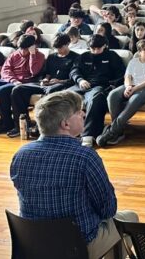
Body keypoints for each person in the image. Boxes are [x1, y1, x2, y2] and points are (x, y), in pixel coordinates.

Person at [10, 91, 138, 258]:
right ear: (65, 124)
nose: (83, 113)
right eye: (78, 112)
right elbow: (108, 209)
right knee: (130, 218)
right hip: (75, 247)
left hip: (33, 242)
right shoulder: (85, 157)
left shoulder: (20, 154)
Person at [0, 34, 45, 135]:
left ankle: (6, 122)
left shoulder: (39, 56)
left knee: (1, 91)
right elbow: (5, 70)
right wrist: (13, 80)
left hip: (24, 82)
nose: (23, 52)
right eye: (21, 49)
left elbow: (34, 72)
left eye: (26, 49)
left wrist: (32, 55)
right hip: (8, 80)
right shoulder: (14, 54)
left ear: (32, 47)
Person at [8, 33, 78, 138]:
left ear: (68, 44)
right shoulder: (52, 57)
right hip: (48, 83)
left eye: (60, 48)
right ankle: (21, 124)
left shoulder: (76, 57)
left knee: (50, 92)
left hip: (63, 84)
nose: (58, 50)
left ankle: (40, 126)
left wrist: (59, 81)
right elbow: (47, 73)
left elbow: (74, 78)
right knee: (18, 89)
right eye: (56, 48)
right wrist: (46, 79)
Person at [98, 39, 145, 147]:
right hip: (131, 85)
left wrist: (134, 89)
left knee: (133, 100)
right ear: (139, 51)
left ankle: (112, 132)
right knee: (112, 96)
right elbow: (127, 76)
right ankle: (119, 130)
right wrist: (128, 86)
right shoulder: (133, 61)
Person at [69, 34, 127, 147]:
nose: (95, 51)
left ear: (104, 45)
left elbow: (122, 74)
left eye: (98, 48)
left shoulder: (112, 56)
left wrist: (111, 85)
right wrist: (80, 80)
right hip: (81, 85)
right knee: (62, 97)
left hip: (100, 86)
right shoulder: (83, 56)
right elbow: (74, 71)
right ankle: (62, 131)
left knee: (96, 99)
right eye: (92, 48)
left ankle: (88, 135)